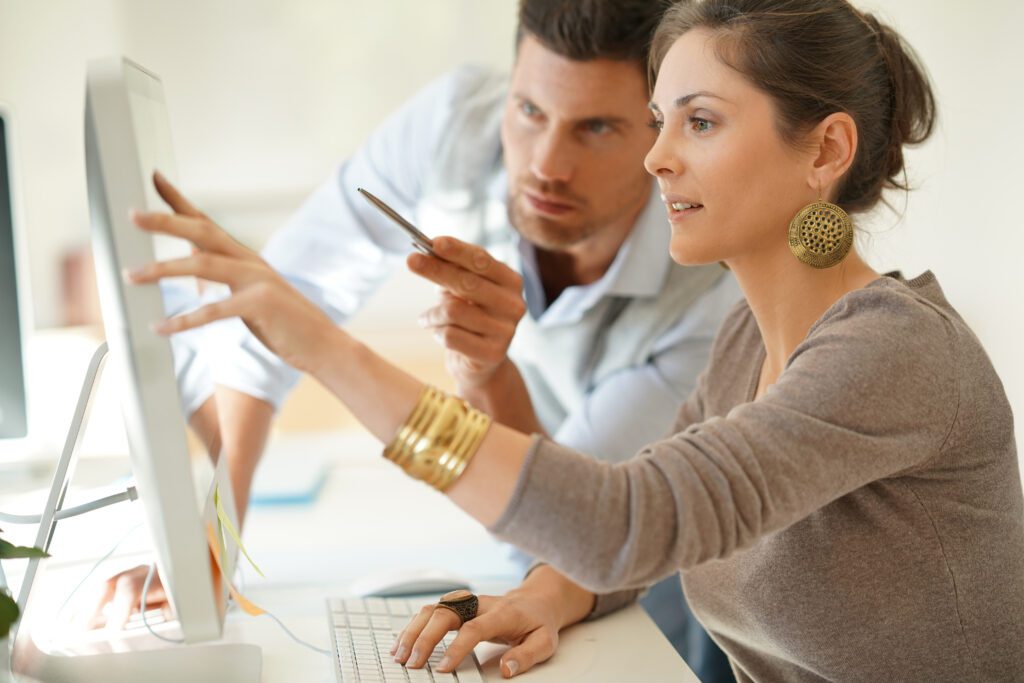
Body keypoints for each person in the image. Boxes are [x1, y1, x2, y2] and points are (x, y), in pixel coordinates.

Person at [127, 0, 1024, 679]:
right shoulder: (751, 336)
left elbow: (624, 521)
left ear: (825, 150)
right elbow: (642, 538)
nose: (655, 156)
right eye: (662, 118)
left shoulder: (893, 355)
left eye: (699, 121)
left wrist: (321, 346)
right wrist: (540, 597)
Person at [96, 1, 739, 678]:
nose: (547, 162)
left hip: (637, 620)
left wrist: (482, 374)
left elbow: (575, 530)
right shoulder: (457, 119)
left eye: (597, 127)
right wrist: (215, 532)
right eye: (529, 111)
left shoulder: (710, 296)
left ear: (664, 130)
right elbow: (273, 308)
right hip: (536, 543)